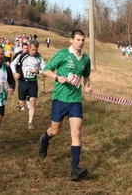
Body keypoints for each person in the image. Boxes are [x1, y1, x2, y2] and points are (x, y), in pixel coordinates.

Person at [39, 29, 91, 181]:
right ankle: (44, 140)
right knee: (54, 131)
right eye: (78, 40)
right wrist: (57, 77)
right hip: (60, 99)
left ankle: (75, 169)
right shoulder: (62, 54)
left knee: (76, 133)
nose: (81, 42)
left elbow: (86, 76)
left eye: (82, 40)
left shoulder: (85, 59)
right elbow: (45, 70)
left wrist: (87, 86)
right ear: (71, 40)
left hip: (75, 101)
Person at [10, 40, 46, 129]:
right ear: (29, 47)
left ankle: (30, 122)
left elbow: (46, 70)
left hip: (33, 83)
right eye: (33, 49)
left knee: (33, 102)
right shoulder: (22, 56)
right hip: (23, 82)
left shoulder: (39, 58)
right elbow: (12, 64)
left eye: (36, 50)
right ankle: (22, 101)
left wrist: (38, 71)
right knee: (22, 104)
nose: (34, 51)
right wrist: (14, 73)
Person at [11, 43, 29, 110]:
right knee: (22, 89)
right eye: (24, 48)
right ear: (22, 48)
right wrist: (15, 73)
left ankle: (28, 101)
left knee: (28, 89)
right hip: (20, 75)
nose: (26, 50)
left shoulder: (30, 55)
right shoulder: (18, 55)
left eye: (27, 48)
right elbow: (12, 64)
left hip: (28, 75)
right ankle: (21, 104)